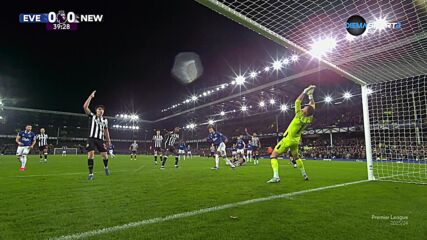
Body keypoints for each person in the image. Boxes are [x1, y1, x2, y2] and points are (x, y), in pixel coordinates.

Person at [267, 85, 316, 183]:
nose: (303, 108)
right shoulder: (309, 118)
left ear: (305, 112)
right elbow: (313, 106)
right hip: (296, 140)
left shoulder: (299, 115)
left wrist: (304, 91)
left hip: (288, 139)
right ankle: (304, 174)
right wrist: (310, 96)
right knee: (296, 157)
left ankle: (276, 177)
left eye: (304, 108)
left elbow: (297, 101)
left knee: (273, 156)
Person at [83, 90, 111, 180]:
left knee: (105, 156)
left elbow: (106, 131)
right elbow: (85, 107)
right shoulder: (92, 116)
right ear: (96, 111)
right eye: (99, 109)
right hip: (91, 138)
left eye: (102, 109)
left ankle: (106, 167)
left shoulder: (105, 121)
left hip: (100, 140)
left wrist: (108, 141)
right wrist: (90, 96)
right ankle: (91, 174)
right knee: (91, 155)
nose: (101, 110)